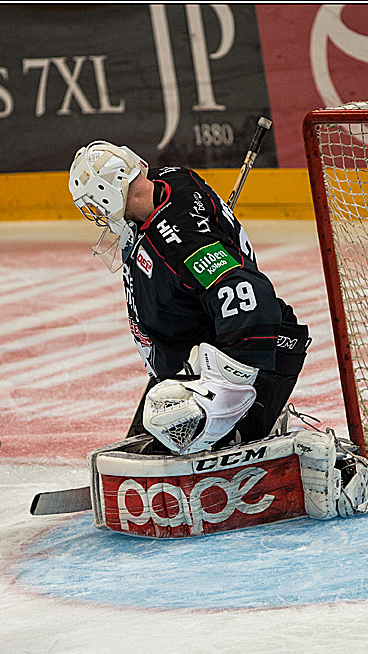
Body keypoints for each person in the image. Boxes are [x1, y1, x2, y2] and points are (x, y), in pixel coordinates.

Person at [68, 141, 311, 455]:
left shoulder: (183, 243)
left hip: (247, 354)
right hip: (192, 354)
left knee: (193, 441)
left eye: (94, 203)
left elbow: (251, 299)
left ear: (108, 192)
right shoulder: (173, 179)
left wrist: (227, 392)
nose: (97, 214)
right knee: (154, 436)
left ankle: (245, 432)